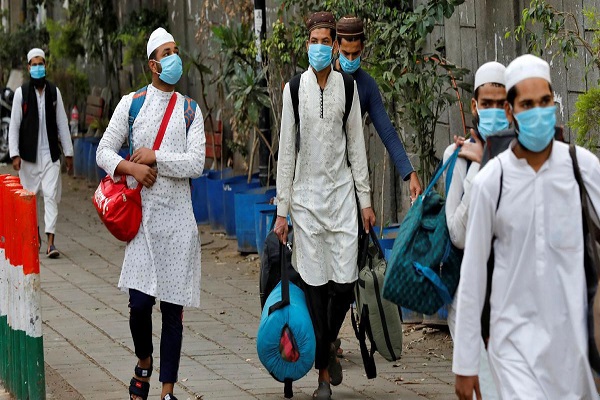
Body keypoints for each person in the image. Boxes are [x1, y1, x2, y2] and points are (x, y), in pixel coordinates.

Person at [452, 54, 600, 399]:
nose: (538, 112)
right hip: (512, 344)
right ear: (511, 111)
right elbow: (473, 274)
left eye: (545, 101)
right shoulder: (493, 180)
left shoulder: (582, 168)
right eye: (527, 104)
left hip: (572, 345)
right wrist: (466, 363)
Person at [96, 27, 205, 400]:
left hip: (179, 225)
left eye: (176, 50)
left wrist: (157, 157)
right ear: (153, 65)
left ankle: (167, 390)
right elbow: (104, 150)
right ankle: (144, 360)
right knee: (139, 305)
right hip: (142, 223)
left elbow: (196, 163)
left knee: (173, 313)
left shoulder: (190, 110)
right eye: (166, 53)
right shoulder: (132, 104)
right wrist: (132, 168)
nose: (174, 57)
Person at [274, 11, 376, 400]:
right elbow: (286, 152)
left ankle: (329, 342)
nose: (319, 47)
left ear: (334, 45)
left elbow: (357, 148)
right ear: (307, 45)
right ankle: (321, 373)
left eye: (324, 41)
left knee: (344, 282)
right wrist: (282, 211)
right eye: (313, 41)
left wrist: (365, 201)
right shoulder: (293, 89)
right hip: (305, 201)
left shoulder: (347, 88)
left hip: (342, 199)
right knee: (315, 286)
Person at [443, 61, 508, 399]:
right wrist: (479, 170)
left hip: (510, 295)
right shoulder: (457, 156)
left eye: (500, 104)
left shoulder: (522, 157)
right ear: (474, 106)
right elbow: (457, 234)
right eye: (487, 103)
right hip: (467, 295)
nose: (493, 111)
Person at [334, 15, 422, 200]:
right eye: (345, 53)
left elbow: (387, 132)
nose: (350, 59)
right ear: (336, 47)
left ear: (362, 49)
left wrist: (409, 173)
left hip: (348, 173)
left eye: (355, 54)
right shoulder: (321, 77)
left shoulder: (367, 85)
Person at [8, 48, 74, 258]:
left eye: (41, 64)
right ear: (29, 68)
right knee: (30, 200)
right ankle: (34, 236)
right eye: (34, 64)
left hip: (50, 155)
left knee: (51, 196)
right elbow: (14, 126)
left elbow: (62, 123)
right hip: (28, 157)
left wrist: (69, 153)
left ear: (45, 66)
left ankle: (51, 243)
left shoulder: (54, 92)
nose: (38, 68)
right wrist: (15, 154)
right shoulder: (21, 93)